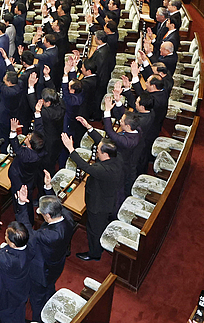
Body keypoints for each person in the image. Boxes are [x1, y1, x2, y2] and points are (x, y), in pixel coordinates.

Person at [14, 173, 75, 320]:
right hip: (57, 264)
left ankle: (38, 318)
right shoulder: (67, 217)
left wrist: (22, 204)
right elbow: (57, 204)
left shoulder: (50, 235)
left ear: (47, 216)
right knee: (49, 286)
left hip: (42, 271)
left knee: (37, 299)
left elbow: (27, 232)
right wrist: (49, 188)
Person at [63, 131, 122, 261]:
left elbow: (84, 166)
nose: (97, 153)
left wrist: (70, 149)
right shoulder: (116, 158)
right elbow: (104, 143)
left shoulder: (103, 170)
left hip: (98, 205)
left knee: (93, 230)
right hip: (107, 199)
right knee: (99, 226)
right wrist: (89, 129)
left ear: (105, 154)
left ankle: (95, 253)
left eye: (99, 151)